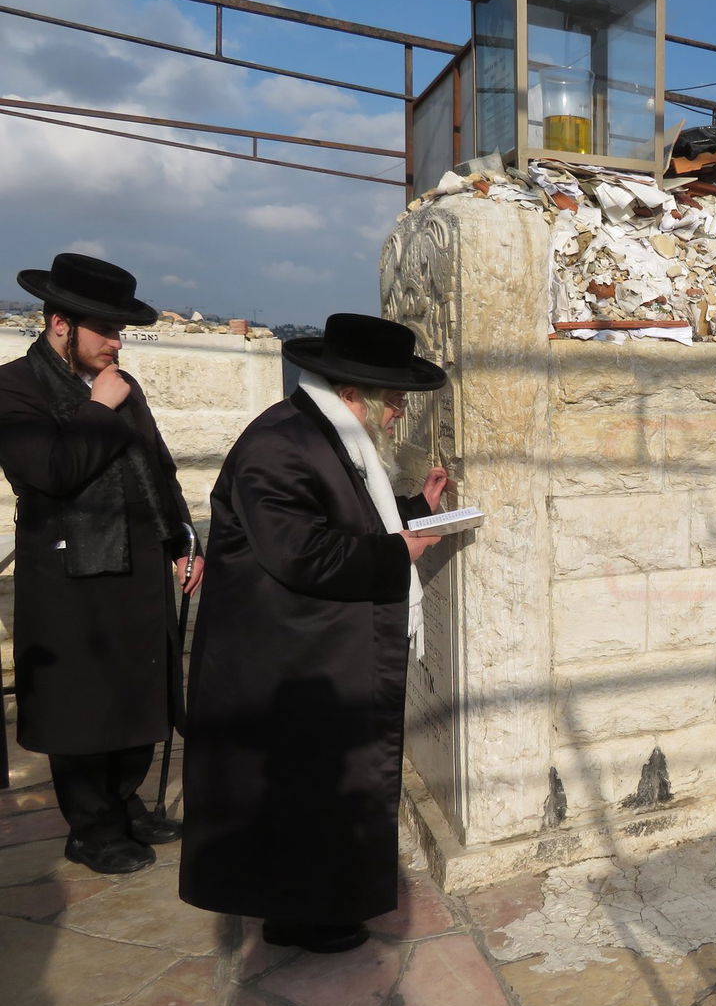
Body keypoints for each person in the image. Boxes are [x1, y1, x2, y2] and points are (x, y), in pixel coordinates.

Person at [178, 313, 449, 954]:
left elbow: (343, 519)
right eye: (395, 400)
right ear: (356, 391)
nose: (399, 415)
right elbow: (301, 553)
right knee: (299, 798)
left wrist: (414, 511)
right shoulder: (282, 443)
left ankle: (312, 907)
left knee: (314, 794)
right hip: (283, 659)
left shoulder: (320, 434)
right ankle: (304, 915)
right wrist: (398, 553)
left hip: (307, 651)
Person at [0, 253, 202, 875]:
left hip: (138, 566)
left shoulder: (120, 382)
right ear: (60, 324)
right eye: (106, 330)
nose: (117, 343)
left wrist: (184, 539)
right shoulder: (15, 386)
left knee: (139, 695)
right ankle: (91, 827)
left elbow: (155, 468)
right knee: (82, 708)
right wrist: (97, 407)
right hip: (69, 581)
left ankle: (122, 804)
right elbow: (47, 473)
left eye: (120, 331)